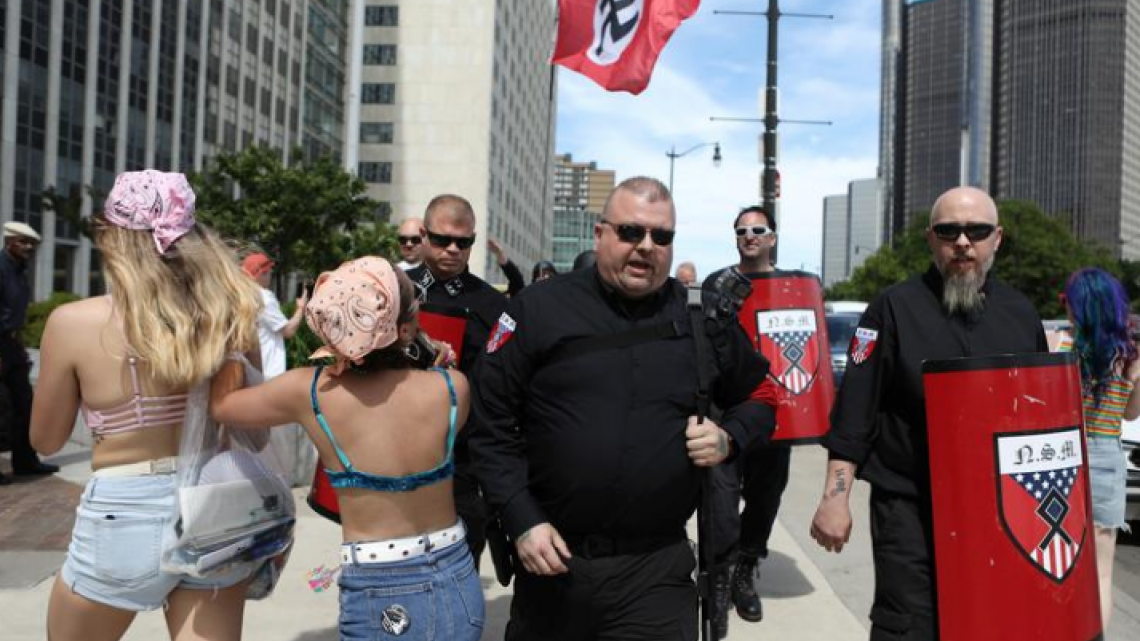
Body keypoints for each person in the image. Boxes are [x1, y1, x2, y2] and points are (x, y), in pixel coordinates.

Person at [471, 176, 778, 641]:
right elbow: (488, 423)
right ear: (600, 235)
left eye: (662, 236)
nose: (646, 247)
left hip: (655, 574)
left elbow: (764, 397)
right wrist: (521, 518)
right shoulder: (538, 308)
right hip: (553, 561)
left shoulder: (702, 317)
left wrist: (729, 438)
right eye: (631, 232)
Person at [29, 170, 264, 641]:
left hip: (123, 510)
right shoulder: (232, 313)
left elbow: (46, 442)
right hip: (214, 506)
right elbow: (257, 432)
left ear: (114, 237)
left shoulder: (73, 323)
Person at [810, 186, 1048, 641]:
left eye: (976, 230)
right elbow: (857, 409)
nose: (962, 241)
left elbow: (1039, 416)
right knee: (910, 626)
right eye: (948, 230)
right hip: (909, 507)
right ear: (930, 239)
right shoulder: (891, 309)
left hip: (998, 510)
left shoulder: (1022, 314)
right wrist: (834, 496)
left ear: (997, 238)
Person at [211, 256, 483, 641]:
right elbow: (419, 355)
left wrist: (237, 328)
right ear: (403, 325)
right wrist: (419, 340)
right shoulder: (453, 388)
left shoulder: (312, 391)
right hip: (456, 573)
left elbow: (223, 406)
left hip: (380, 587)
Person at [406, 195, 508, 568]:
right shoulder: (393, 289)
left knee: (460, 565)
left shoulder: (492, 305)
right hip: (395, 452)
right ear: (422, 235)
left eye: (463, 242)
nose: (453, 249)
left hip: (463, 460)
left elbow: (503, 385)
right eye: (442, 239)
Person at [703, 205, 791, 637]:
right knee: (720, 500)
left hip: (778, 407)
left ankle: (746, 567)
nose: (750, 236)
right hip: (727, 407)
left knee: (766, 494)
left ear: (772, 237)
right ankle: (719, 576)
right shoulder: (718, 283)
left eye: (758, 229)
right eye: (742, 230)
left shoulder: (793, 288)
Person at [1058, 268, 1140, 630]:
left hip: (1063, 455)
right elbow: (1131, 412)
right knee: (1102, 571)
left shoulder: (1060, 347)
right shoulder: (1129, 357)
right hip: (1107, 456)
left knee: (1060, 561)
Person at [241, 251, 315, 485]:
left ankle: (257, 477)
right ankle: (276, 480)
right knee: (274, 434)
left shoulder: (240, 296)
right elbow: (289, 330)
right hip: (270, 373)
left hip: (249, 370)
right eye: (268, 270)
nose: (271, 274)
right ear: (260, 273)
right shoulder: (263, 296)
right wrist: (301, 308)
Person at [0, 221, 56, 482]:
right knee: (2, 407)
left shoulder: (19, 269)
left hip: (12, 345)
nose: (29, 247)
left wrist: (18, 342)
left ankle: (25, 462)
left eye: (31, 243)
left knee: (25, 404)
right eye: (23, 242)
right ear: (9, 242)